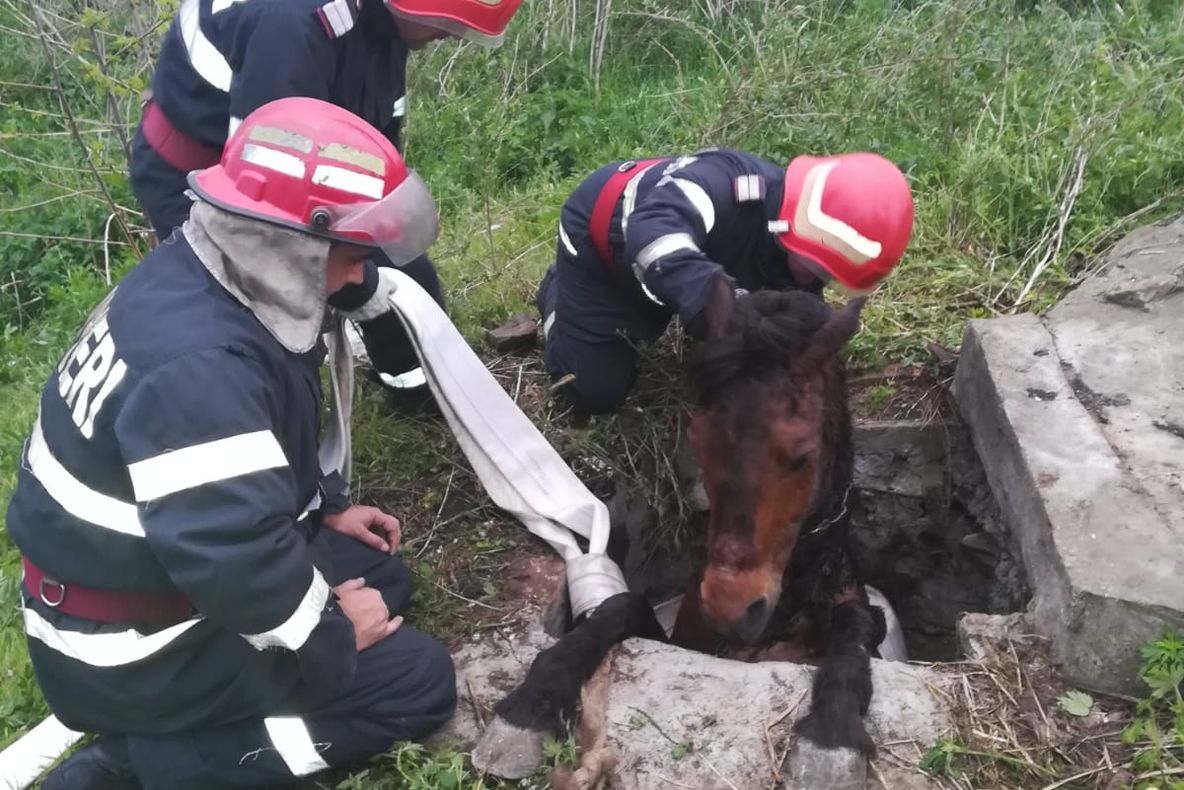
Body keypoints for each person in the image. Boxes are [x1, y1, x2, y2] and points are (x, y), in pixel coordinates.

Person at [9, 98, 455, 790]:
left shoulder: (201, 275)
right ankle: (140, 768)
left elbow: (244, 455)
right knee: (414, 681)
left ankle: (182, 723)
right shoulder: (201, 368)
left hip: (135, 584)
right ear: (292, 245)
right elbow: (235, 556)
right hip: (127, 647)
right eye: (349, 254)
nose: (355, 275)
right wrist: (334, 634)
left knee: (381, 575)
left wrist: (323, 509)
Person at [130, 0, 522, 395]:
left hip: (288, 167)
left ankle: (422, 388)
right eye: (444, 23)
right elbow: (267, 221)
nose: (450, 36)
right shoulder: (289, 28)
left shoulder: (384, 25)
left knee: (407, 280)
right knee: (267, 314)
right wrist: (358, 286)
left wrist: (374, 236)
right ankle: (268, 407)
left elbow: (376, 143)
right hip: (208, 179)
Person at [534, 148, 916, 413]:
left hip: (683, 261)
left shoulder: (793, 245)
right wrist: (716, 300)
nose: (813, 282)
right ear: (792, 226)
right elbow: (651, 234)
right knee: (592, 391)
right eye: (816, 268)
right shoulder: (724, 186)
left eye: (828, 278)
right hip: (602, 245)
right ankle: (556, 293)